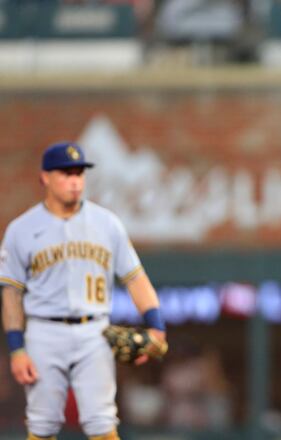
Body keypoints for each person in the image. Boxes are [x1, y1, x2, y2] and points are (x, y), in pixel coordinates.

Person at [0, 142, 167, 440]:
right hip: (44, 330)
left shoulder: (107, 223)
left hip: (94, 331)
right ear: (45, 178)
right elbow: (11, 292)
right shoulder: (21, 229)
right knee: (41, 424)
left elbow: (135, 278)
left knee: (103, 422)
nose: (75, 181)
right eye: (65, 173)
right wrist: (16, 348)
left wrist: (156, 326)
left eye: (79, 173)